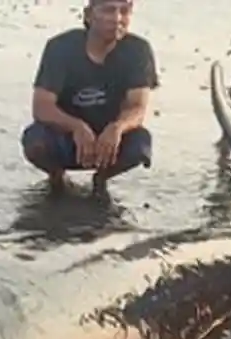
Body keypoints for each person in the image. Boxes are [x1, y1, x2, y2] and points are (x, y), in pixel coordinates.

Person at [21, 0, 158, 194]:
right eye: (109, 11)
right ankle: (56, 176)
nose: (117, 19)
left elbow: (137, 107)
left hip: (109, 140)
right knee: (35, 141)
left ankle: (101, 178)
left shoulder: (138, 50)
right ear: (88, 15)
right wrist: (76, 127)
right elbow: (42, 107)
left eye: (124, 12)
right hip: (66, 137)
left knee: (141, 144)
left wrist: (117, 128)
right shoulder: (60, 47)